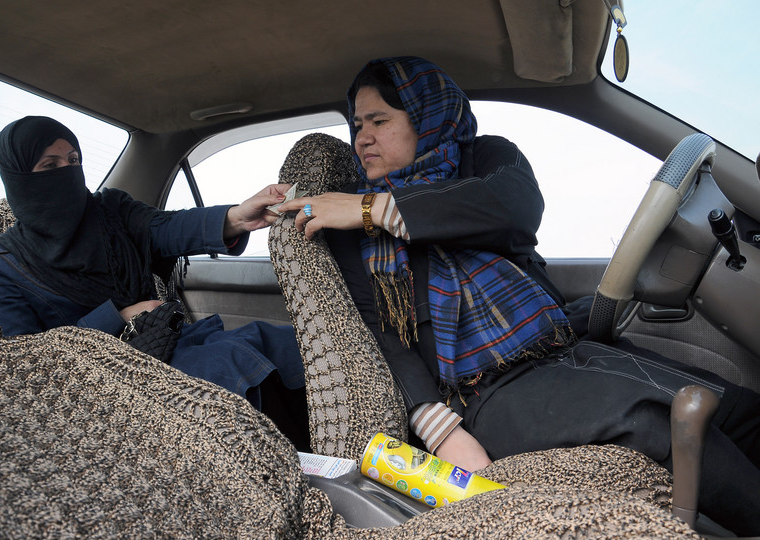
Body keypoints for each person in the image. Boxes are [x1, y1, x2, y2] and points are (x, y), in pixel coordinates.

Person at [278, 56, 760, 534]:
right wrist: (443, 434)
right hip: (484, 392)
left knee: (739, 410)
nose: (362, 137)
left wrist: (373, 208)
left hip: (564, 346)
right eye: (358, 124)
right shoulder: (342, 227)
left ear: (429, 117)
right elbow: (383, 338)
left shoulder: (485, 159)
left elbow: (514, 208)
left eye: (380, 121)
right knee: (659, 425)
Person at [0, 116, 309, 448]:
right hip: (107, 375)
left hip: (169, 340)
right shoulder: (2, 267)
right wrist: (119, 316)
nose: (68, 171)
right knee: (227, 367)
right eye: (50, 165)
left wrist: (236, 216)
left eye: (73, 160)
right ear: (19, 178)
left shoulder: (109, 210)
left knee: (279, 341)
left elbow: (167, 227)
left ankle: (329, 459)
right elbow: (32, 360)